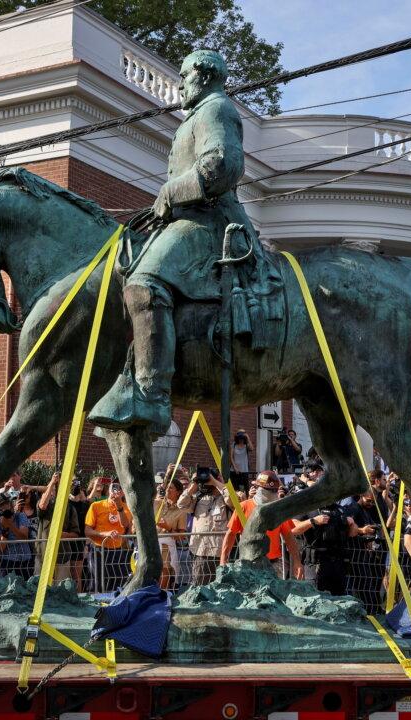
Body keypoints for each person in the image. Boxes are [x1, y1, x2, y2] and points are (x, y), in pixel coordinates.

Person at [87, 49, 279, 437]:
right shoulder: (197, 114)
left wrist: (171, 193)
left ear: (204, 76)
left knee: (144, 283)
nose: (178, 84)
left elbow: (222, 165)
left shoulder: (215, 109)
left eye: (184, 75)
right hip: (190, 218)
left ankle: (153, 394)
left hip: (210, 222)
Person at [219, 471, 302, 579]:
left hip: (274, 565)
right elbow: (230, 534)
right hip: (248, 564)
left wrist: (297, 562)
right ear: (257, 488)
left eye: (273, 491)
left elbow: (289, 537)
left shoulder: (278, 509)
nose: (271, 495)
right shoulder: (243, 507)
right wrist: (223, 560)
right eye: (267, 491)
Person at [292, 498, 360, 596]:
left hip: (338, 563)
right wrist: (312, 521)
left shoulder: (340, 509)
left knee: (339, 598)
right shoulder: (308, 507)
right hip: (316, 562)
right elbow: (293, 529)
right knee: (315, 597)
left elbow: (353, 533)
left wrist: (352, 524)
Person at [178, 465, 232, 585]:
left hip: (221, 553)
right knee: (199, 587)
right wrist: (194, 484)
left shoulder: (225, 497)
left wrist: (216, 482)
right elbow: (181, 504)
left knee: (221, 589)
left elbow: (233, 501)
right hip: (200, 552)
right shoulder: (198, 498)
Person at [341, 487, 388, 613]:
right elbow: (346, 528)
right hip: (354, 553)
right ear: (361, 495)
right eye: (369, 500)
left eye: (373, 502)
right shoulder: (353, 508)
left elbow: (372, 526)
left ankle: (373, 610)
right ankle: (370, 611)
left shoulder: (366, 510)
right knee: (364, 585)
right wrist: (363, 531)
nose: (371, 504)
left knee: (368, 584)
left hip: (363, 552)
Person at [84, 481, 134, 593]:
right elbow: (87, 531)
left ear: (123, 493)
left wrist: (119, 506)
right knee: (97, 582)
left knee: (116, 583)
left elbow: (125, 525)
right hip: (98, 550)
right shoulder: (96, 506)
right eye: (113, 488)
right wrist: (105, 534)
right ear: (108, 490)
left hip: (117, 551)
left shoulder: (126, 508)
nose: (116, 491)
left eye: (119, 489)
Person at [37, 472, 83, 584]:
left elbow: (76, 534)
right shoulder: (45, 503)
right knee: (40, 587)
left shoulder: (70, 508)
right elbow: (42, 505)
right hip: (42, 554)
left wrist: (62, 535)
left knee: (60, 588)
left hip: (62, 556)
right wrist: (52, 482)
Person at [154, 475, 189, 589]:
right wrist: (168, 474)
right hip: (151, 544)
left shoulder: (181, 511)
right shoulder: (157, 503)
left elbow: (181, 537)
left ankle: (160, 596)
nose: (167, 490)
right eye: (167, 487)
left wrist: (167, 528)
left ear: (178, 492)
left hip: (166, 547)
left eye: (171, 488)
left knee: (164, 571)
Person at [0, 493, 35, 580]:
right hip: (8, 561)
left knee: (28, 591)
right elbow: (1, 549)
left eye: (8, 502)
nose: (7, 506)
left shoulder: (21, 515)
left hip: (25, 560)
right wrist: (5, 530)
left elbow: (24, 537)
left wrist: (10, 524)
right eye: (3, 504)